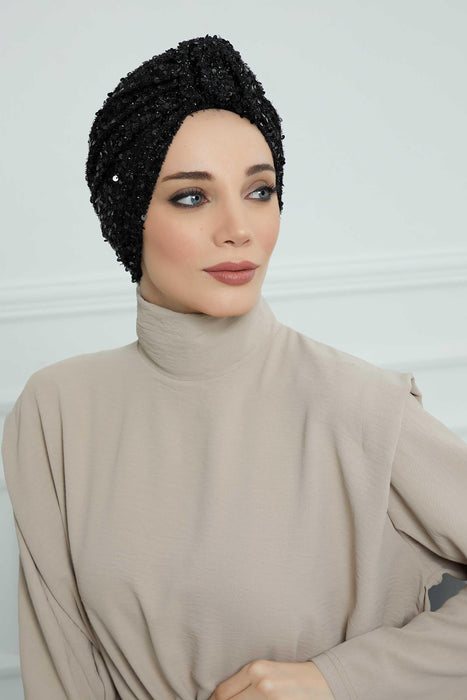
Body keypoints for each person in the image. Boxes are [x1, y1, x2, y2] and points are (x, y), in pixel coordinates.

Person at [1, 33, 467, 700]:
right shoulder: (56, 412)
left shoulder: (364, 409)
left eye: (259, 190)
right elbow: (60, 670)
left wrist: (335, 680)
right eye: (192, 196)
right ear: (129, 215)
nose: (238, 228)